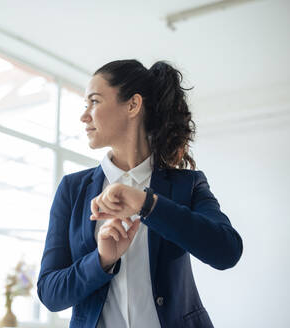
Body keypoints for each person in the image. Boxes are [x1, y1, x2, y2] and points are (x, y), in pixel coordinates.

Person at [36, 59, 243, 328]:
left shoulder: (187, 185)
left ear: (133, 105)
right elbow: (50, 294)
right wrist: (101, 260)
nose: (84, 115)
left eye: (95, 102)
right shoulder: (72, 190)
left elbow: (227, 251)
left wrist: (148, 205)